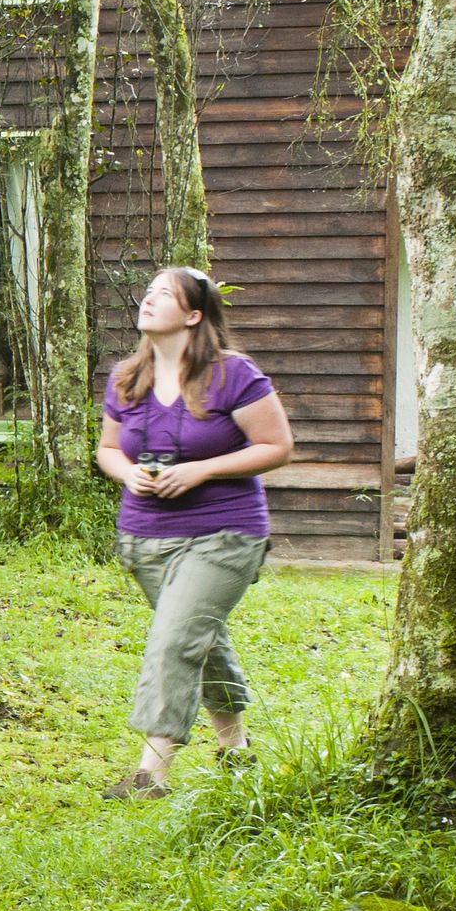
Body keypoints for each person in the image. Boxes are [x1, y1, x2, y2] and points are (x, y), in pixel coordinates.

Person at [94, 266, 294, 797]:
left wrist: (201, 469)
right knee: (201, 641)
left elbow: (276, 446)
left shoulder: (233, 374)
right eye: (148, 292)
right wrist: (127, 472)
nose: (149, 299)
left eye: (165, 294)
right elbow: (109, 449)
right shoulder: (126, 378)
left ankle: (150, 774)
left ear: (193, 315)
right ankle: (236, 749)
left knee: (175, 638)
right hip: (146, 538)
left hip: (224, 534)